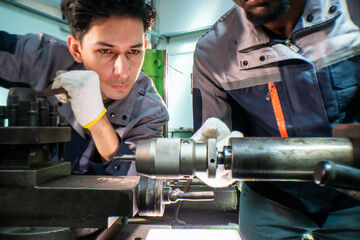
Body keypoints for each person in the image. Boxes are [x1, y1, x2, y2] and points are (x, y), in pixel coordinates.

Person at [192, 0, 360, 239]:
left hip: (353, 195)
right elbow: (210, 148)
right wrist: (214, 165)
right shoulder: (213, 53)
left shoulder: (352, 16)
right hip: (270, 198)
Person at [0, 0, 168, 176]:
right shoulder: (44, 58)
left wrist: (98, 122)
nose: (123, 72)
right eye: (106, 51)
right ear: (76, 49)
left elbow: (139, 185)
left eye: (133, 52)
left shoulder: (149, 112)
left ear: (144, 46)